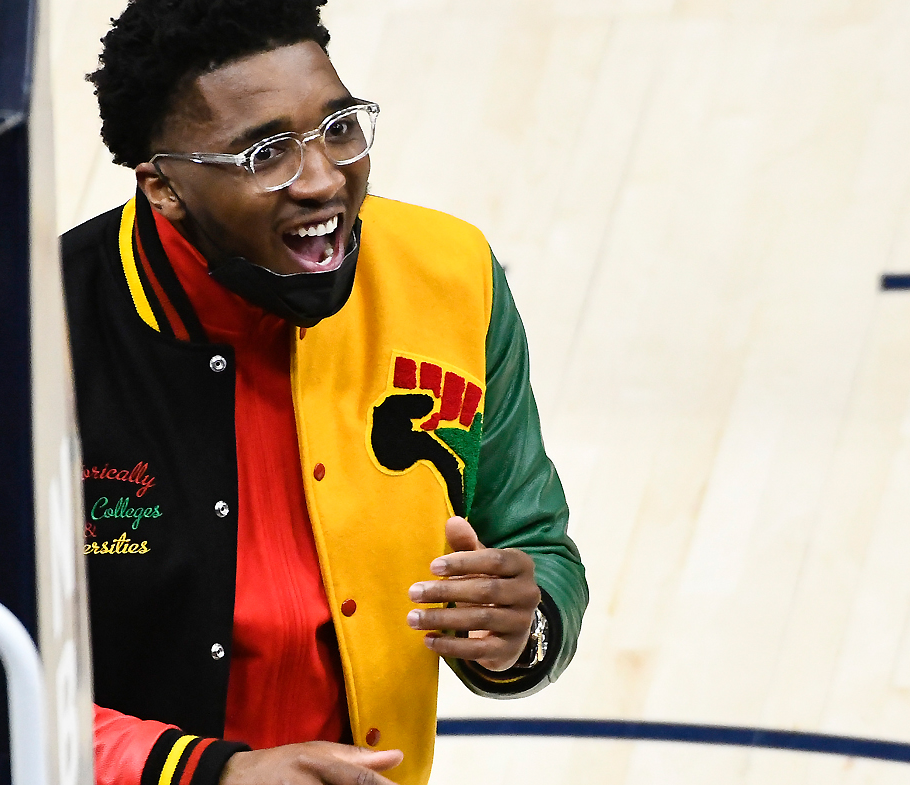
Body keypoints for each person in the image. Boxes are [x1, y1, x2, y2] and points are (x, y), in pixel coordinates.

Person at [62, 1, 588, 783]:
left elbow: (537, 546)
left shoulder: (453, 277)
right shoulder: (40, 327)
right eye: (265, 153)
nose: (323, 179)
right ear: (164, 187)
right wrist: (211, 773)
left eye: (339, 127)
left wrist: (521, 628)